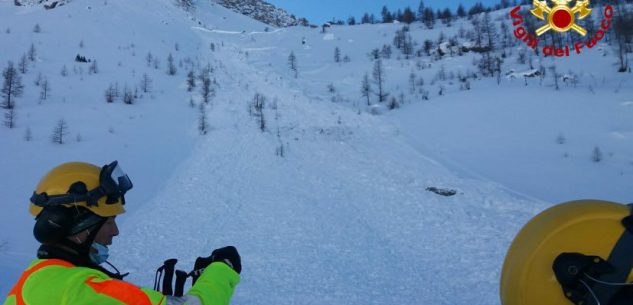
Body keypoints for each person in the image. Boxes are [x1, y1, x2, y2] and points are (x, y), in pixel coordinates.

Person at [3, 161, 241, 305]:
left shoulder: (37, 277)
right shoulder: (79, 290)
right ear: (72, 226)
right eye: (108, 221)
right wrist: (222, 269)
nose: (115, 231)